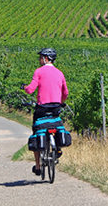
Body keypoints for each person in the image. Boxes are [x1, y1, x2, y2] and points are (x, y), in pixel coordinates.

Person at [21, 47, 68, 176]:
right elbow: (66, 92)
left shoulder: (38, 72)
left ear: (46, 59)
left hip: (42, 109)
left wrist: (24, 87)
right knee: (55, 124)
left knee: (37, 131)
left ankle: (38, 166)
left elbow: (31, 89)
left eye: (41, 57)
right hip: (56, 107)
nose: (39, 59)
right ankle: (57, 148)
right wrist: (61, 102)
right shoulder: (60, 73)